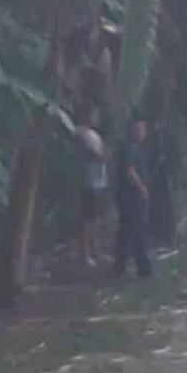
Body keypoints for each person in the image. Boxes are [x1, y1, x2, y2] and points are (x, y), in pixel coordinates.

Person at [114, 114, 153, 279]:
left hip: (125, 196)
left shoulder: (128, 146)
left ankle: (119, 267)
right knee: (137, 231)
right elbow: (129, 170)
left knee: (125, 232)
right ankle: (143, 269)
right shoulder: (131, 147)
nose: (144, 132)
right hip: (132, 195)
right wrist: (142, 188)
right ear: (134, 130)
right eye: (141, 129)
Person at [75, 107, 108, 268]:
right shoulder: (81, 132)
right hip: (88, 181)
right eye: (94, 114)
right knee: (87, 219)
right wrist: (103, 156)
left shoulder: (94, 134)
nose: (97, 117)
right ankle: (85, 253)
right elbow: (93, 154)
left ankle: (95, 250)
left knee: (94, 218)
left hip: (98, 180)